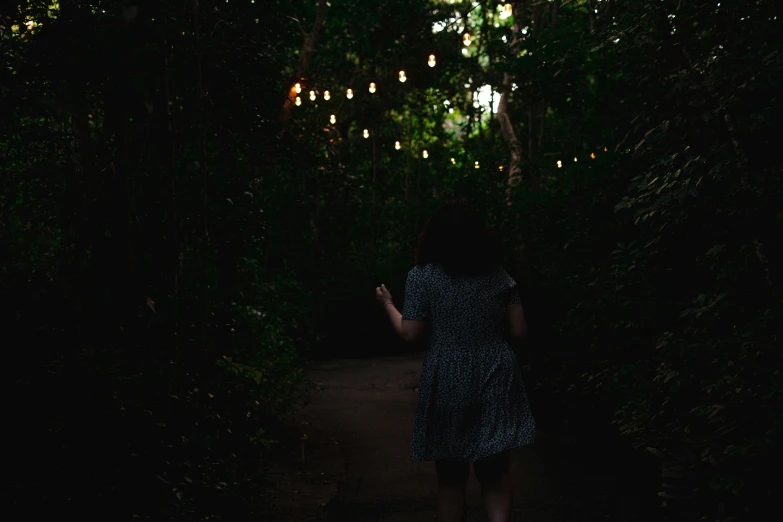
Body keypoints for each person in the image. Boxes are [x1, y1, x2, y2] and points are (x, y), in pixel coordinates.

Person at [375, 199, 535, 522]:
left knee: (450, 478)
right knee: (495, 472)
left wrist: (388, 304)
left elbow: (411, 334)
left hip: (447, 375)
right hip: (495, 371)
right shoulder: (499, 276)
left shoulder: (421, 277)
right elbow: (520, 333)